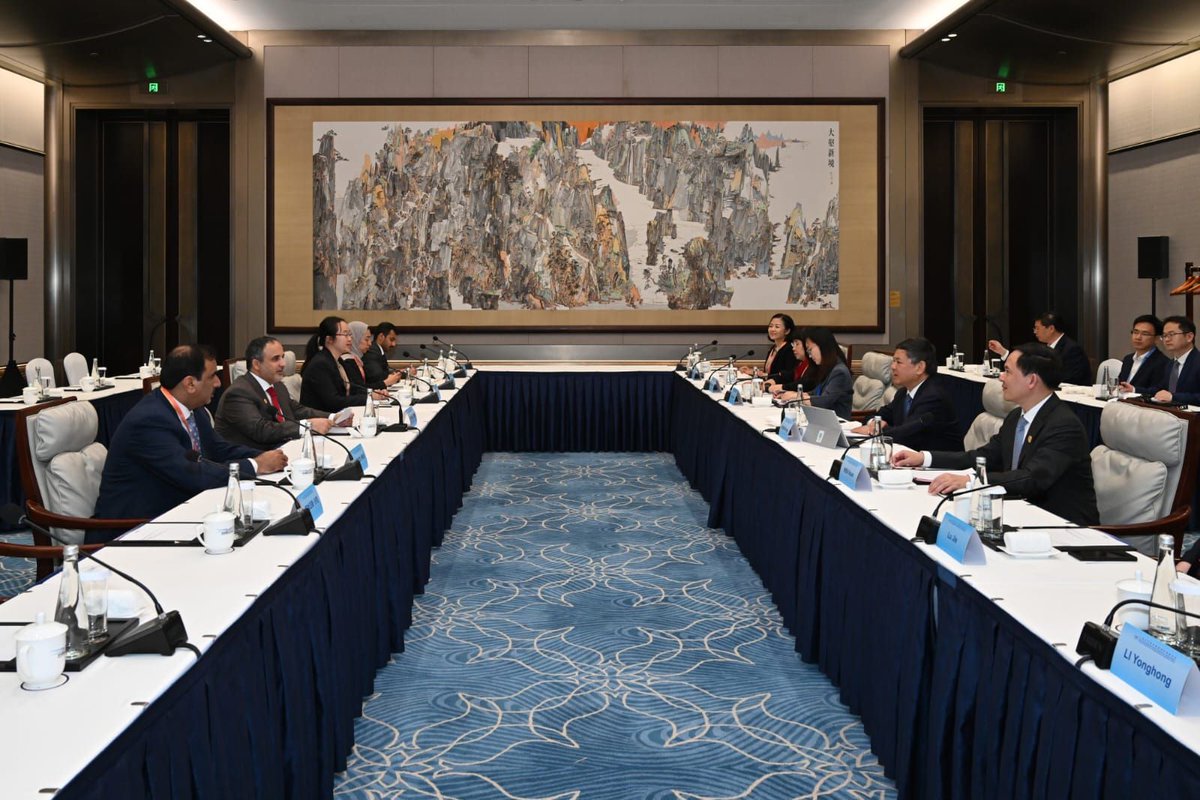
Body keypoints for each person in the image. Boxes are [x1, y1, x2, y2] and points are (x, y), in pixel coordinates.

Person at [893, 342, 1098, 526]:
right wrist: (924, 457)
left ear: (1031, 381)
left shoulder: (1063, 425)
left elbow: (1031, 478)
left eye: (1007, 371)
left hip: (1063, 527)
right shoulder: (1016, 417)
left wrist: (970, 481)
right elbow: (983, 457)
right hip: (1019, 514)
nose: (1000, 376)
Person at [94, 345, 288, 532]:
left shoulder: (195, 409)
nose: (218, 383)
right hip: (133, 529)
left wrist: (266, 456)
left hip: (177, 512)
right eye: (212, 376)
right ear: (190, 384)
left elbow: (219, 449)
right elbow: (190, 474)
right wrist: (255, 465)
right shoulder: (149, 420)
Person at [216, 336, 348, 449]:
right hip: (255, 460)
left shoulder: (277, 385)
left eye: (283, 357)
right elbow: (261, 430)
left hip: (287, 450)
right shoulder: (239, 392)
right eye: (276, 359)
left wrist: (333, 418)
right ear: (256, 364)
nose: (283, 363)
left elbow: (297, 410)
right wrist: (307, 426)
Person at [850, 337, 961, 451]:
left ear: (919, 367)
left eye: (898, 362)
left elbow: (906, 434)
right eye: (893, 361)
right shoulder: (903, 393)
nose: (893, 367)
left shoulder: (933, 396)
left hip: (939, 460)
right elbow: (880, 415)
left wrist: (876, 429)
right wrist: (873, 423)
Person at [300, 316, 388, 413]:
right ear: (329, 339)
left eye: (350, 334)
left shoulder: (338, 360)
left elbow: (352, 388)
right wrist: (369, 397)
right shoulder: (321, 364)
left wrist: (372, 393)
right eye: (345, 335)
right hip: (321, 418)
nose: (350, 339)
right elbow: (334, 402)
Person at [988, 311, 1090, 386]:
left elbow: (1071, 379)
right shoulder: (1044, 347)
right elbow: (1026, 365)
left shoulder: (1072, 349)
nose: (1035, 332)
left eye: (1037, 328)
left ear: (1051, 329)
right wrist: (1003, 352)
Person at [776, 327, 852, 419]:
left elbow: (824, 401)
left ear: (822, 346)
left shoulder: (839, 372)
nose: (809, 355)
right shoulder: (827, 368)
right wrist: (792, 394)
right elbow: (816, 392)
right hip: (822, 420)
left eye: (810, 350)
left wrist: (797, 397)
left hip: (837, 422)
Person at [1149, 315, 1200, 405]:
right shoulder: (1170, 364)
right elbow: (1160, 389)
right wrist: (1133, 389)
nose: (1166, 339)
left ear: (1189, 337)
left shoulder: (1197, 361)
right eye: (1164, 335)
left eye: (1171, 334)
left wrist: (1173, 397)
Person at [1116, 314, 1169, 393]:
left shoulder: (1163, 363)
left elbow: (1158, 391)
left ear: (1156, 338)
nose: (1138, 337)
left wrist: (1134, 390)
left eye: (1145, 334)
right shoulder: (1128, 359)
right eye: (1135, 332)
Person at [742, 313, 798, 384]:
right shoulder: (774, 348)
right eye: (771, 326)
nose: (772, 329)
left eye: (777, 327)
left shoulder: (790, 349)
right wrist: (754, 372)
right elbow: (770, 373)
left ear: (787, 331)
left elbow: (788, 376)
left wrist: (763, 375)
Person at [767, 331, 818, 395]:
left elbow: (804, 383)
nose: (793, 348)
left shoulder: (814, 365)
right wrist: (773, 381)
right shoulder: (799, 363)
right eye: (793, 344)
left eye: (797, 344)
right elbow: (788, 376)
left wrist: (782, 387)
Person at [363, 322, 401, 389]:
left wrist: (399, 373)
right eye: (391, 339)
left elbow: (384, 372)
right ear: (381, 337)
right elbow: (378, 377)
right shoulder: (371, 351)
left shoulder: (378, 350)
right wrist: (400, 374)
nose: (394, 344)